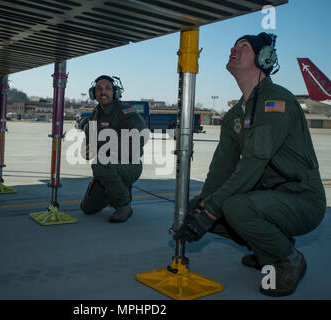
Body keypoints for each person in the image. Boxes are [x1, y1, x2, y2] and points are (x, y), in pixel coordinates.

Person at [174, 33, 326, 297]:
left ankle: (287, 259)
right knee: (198, 205)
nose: (234, 49)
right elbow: (222, 166)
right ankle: (267, 248)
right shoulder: (235, 115)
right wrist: (203, 204)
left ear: (264, 58)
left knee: (232, 206)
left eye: (243, 47)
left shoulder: (276, 101)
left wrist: (211, 209)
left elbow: (254, 163)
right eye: (233, 45)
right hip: (269, 198)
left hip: (301, 199)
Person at [80, 75, 148, 223]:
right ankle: (116, 191)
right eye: (99, 89)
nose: (103, 92)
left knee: (100, 164)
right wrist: (87, 150)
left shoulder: (125, 111)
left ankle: (124, 206)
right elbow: (89, 141)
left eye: (108, 89)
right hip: (108, 165)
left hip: (130, 164)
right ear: (94, 94)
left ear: (115, 92)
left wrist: (113, 148)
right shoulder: (95, 115)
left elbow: (142, 135)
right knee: (87, 208)